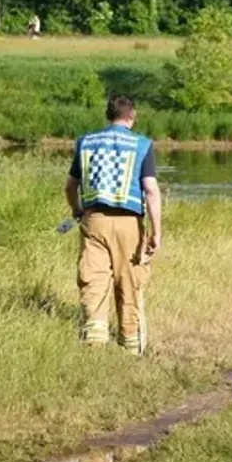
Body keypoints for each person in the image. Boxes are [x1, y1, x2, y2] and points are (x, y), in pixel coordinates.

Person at [65, 95, 162, 354]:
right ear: (132, 116)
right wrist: (156, 232)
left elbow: (70, 185)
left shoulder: (86, 142)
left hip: (93, 219)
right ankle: (130, 344)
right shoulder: (142, 144)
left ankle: (94, 340)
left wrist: (77, 210)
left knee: (93, 278)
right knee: (129, 281)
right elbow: (150, 190)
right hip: (129, 222)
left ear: (108, 115)